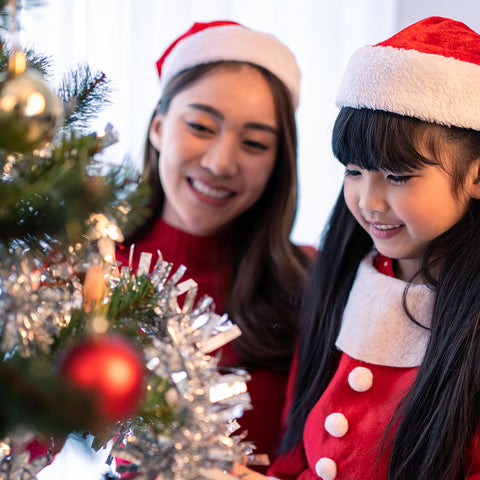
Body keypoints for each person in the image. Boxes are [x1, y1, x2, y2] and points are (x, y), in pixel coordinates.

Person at [231, 16, 480, 480]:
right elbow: (295, 458)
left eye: (399, 176)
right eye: (353, 171)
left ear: (476, 176)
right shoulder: (336, 279)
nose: (368, 201)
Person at [115, 20, 315, 469]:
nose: (220, 163)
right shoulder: (85, 272)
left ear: (278, 162)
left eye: (254, 143)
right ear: (160, 128)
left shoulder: (311, 283)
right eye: (202, 126)